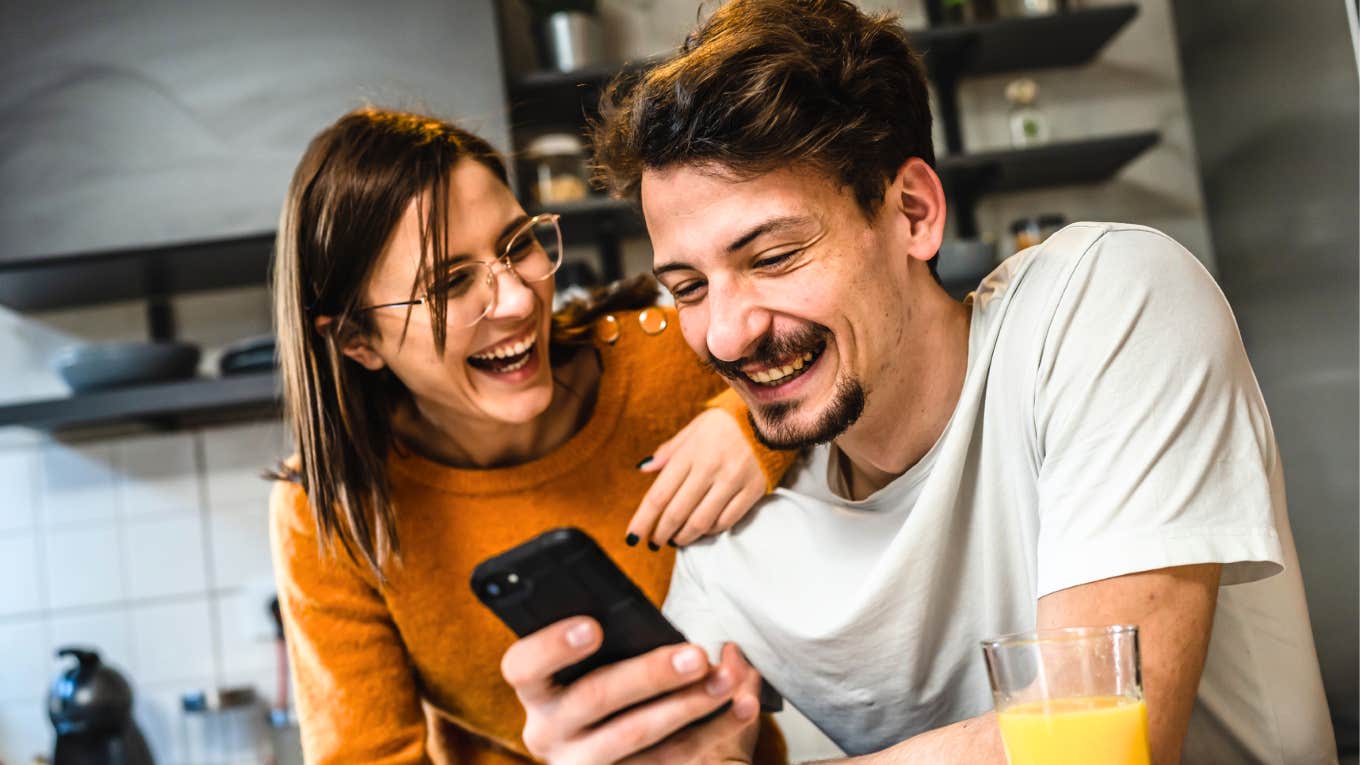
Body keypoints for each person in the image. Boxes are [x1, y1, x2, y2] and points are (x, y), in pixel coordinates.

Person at [497, 1, 1338, 763]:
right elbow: (718, 745)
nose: (724, 331)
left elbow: (1101, 741)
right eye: (687, 287)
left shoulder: (1106, 299)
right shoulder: (729, 547)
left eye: (775, 256)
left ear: (913, 213)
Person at [267, 107, 795, 764]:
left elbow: (870, 364)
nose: (518, 300)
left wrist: (761, 422)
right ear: (355, 340)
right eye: (450, 283)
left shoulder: (673, 369)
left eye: (518, 245)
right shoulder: (337, 513)